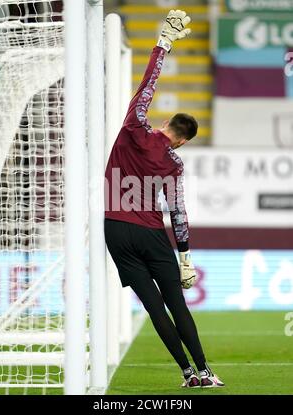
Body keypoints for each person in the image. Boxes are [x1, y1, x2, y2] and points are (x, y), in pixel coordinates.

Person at [104, 10, 224, 388]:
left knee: (154, 308)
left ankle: (185, 372)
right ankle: (203, 371)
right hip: (152, 234)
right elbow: (178, 213)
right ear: (183, 139)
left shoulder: (133, 129)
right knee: (176, 304)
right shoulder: (173, 163)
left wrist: (163, 44)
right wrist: (185, 256)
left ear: (165, 124)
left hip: (116, 231)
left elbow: (146, 88)